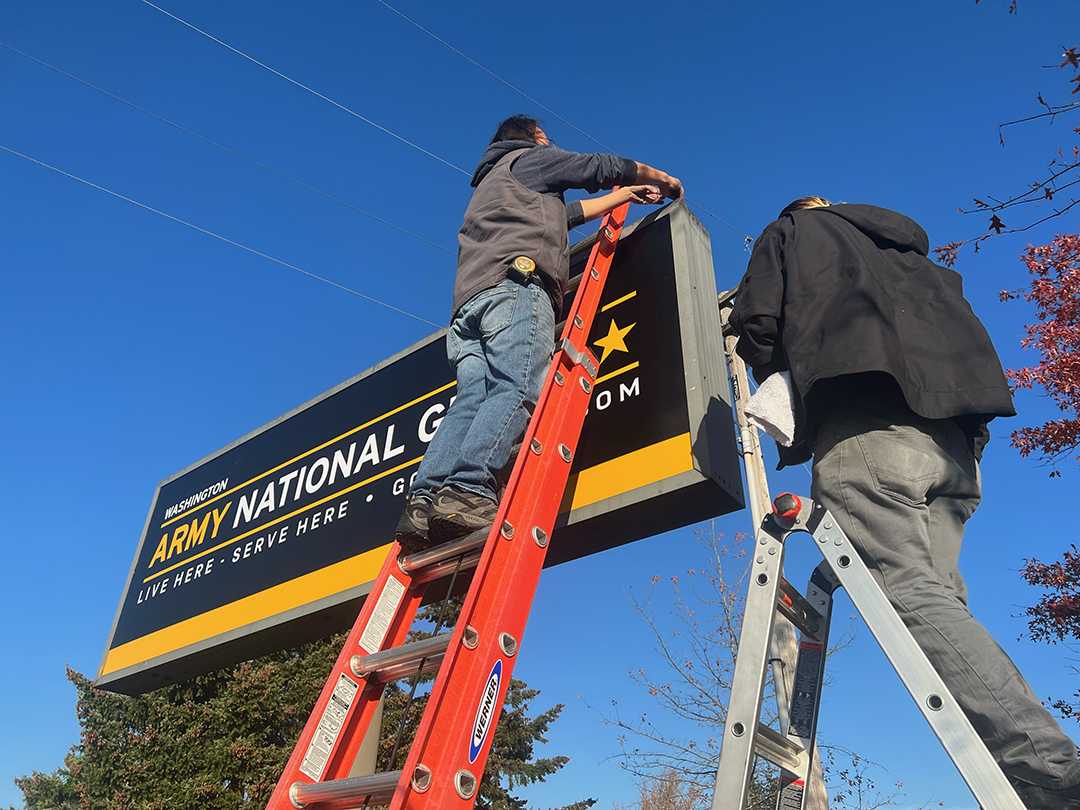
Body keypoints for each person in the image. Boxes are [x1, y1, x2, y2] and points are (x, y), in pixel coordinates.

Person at [729, 197, 1080, 810]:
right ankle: (1022, 788)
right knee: (936, 611)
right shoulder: (913, 255)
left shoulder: (791, 228)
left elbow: (755, 328)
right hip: (954, 445)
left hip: (867, 424)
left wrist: (781, 362)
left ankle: (1053, 776)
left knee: (906, 594)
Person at [395, 114, 682, 553]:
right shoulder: (531, 158)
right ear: (533, 137)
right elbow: (596, 166)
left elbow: (562, 215)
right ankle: (469, 490)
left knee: (470, 401)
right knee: (517, 386)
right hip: (516, 288)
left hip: (468, 309)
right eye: (545, 136)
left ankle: (424, 501)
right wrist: (654, 176)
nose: (550, 141)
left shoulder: (491, 185)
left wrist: (622, 197)